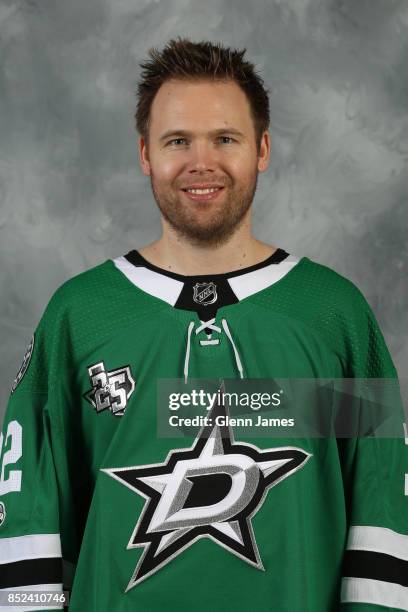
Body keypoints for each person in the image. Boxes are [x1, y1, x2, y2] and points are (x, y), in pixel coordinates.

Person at [0, 37, 406, 612]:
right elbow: (30, 507)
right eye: (177, 141)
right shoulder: (80, 314)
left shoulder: (333, 315)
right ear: (145, 154)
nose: (202, 162)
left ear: (261, 148)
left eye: (224, 138)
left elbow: (381, 499)